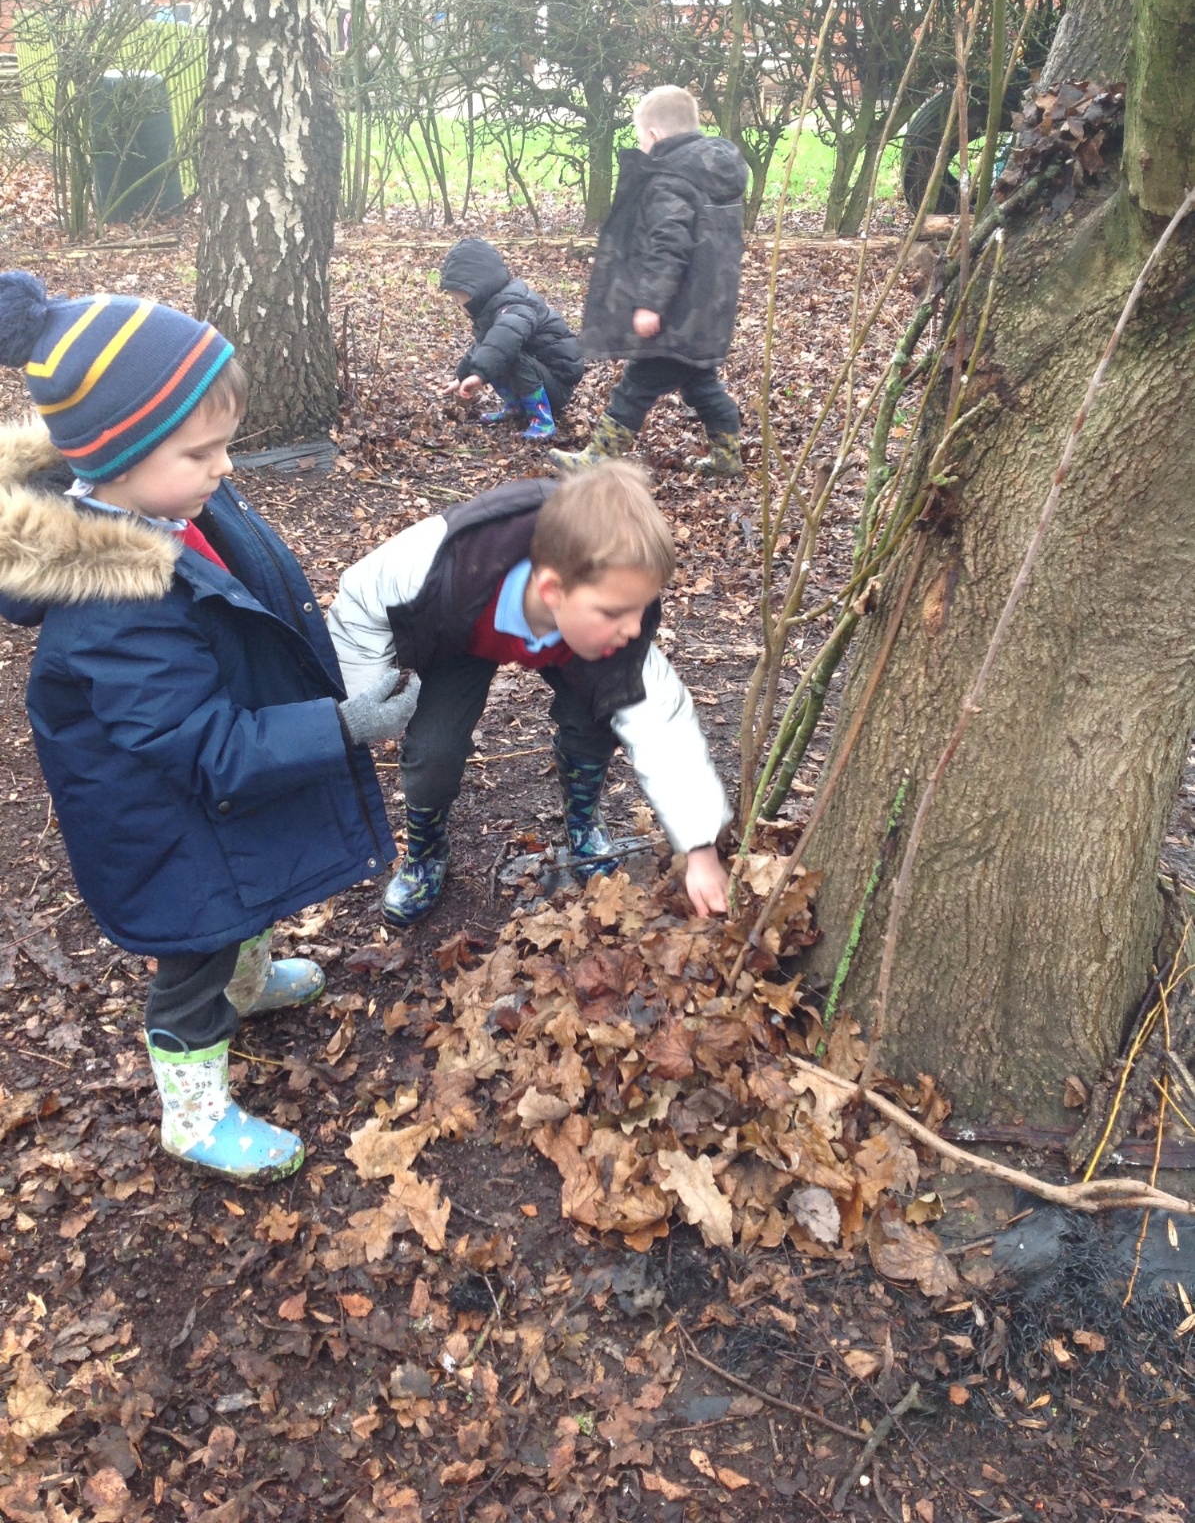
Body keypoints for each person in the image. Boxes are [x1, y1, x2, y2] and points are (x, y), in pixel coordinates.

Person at [0, 271, 418, 1184]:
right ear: (119, 453)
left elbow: (257, 603)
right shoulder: (112, 601)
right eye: (202, 452)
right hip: (167, 821)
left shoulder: (176, 500)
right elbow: (203, 745)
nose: (224, 468)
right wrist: (341, 726)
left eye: (224, 445)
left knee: (248, 893)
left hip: (218, 798)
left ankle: (249, 981)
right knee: (198, 951)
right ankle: (193, 1114)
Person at [327, 461, 731, 926]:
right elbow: (361, 598)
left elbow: (663, 726)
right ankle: (426, 850)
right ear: (553, 589)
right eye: (616, 612)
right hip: (463, 632)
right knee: (433, 749)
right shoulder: (441, 561)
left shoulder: (613, 618)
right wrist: (366, 699)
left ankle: (582, 822)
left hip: (573, 641)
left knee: (600, 715)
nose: (635, 628)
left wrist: (700, 848)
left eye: (641, 609)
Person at [555, 85, 748, 479]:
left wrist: (650, 304)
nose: (642, 146)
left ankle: (599, 458)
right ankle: (727, 459)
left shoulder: (670, 181)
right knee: (701, 385)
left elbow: (668, 246)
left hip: (675, 311)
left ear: (656, 135)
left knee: (636, 384)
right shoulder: (713, 175)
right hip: (708, 309)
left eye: (641, 137)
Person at [440, 237, 586, 442]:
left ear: (475, 292)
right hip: (540, 377)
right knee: (494, 357)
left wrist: (480, 374)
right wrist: (462, 376)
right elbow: (485, 346)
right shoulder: (493, 308)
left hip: (557, 386)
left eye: (458, 299)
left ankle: (543, 421)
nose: (457, 306)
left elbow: (502, 343)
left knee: (507, 356)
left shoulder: (515, 305)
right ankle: (516, 407)